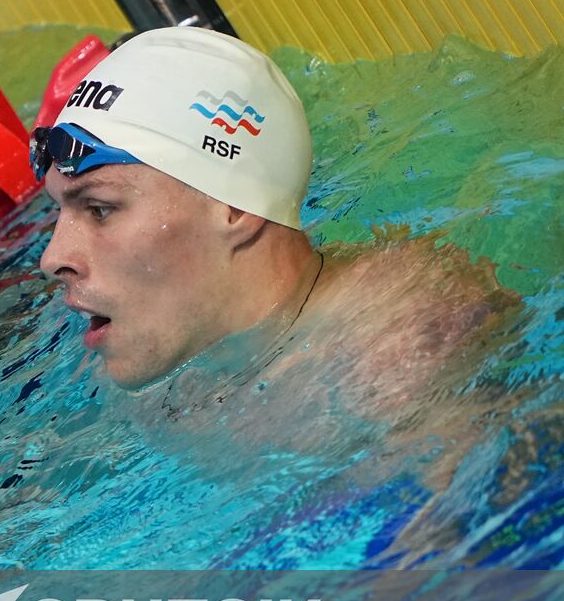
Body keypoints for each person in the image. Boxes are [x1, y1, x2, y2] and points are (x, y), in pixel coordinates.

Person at [33, 26, 512, 442]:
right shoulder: (163, 369)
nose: (52, 258)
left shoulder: (394, 345)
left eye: (99, 209)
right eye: (60, 210)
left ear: (235, 208)